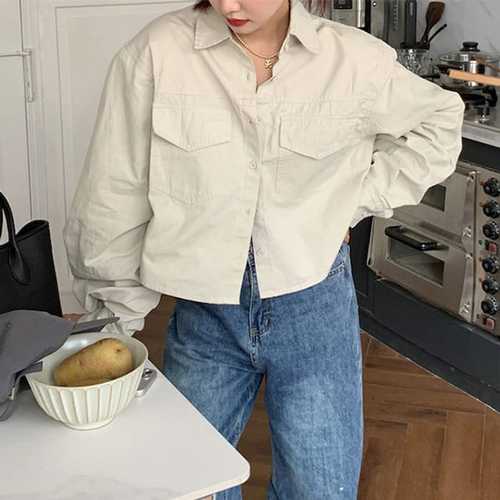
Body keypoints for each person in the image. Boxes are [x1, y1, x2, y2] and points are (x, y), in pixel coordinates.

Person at [62, 0, 465, 498]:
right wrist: (113, 317)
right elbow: (114, 190)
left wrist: (352, 202)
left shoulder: (353, 58)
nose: (228, 4)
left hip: (315, 307)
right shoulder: (157, 52)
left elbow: (439, 122)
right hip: (205, 313)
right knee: (189, 485)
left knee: (319, 491)